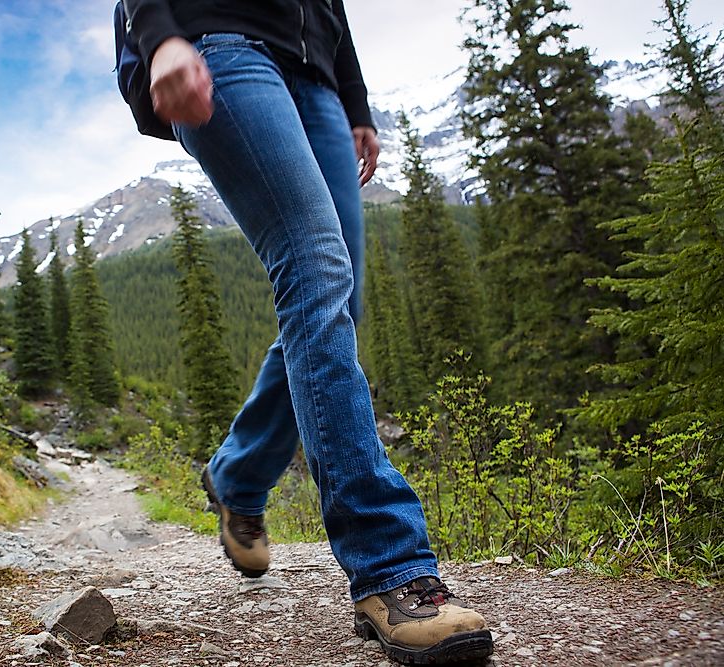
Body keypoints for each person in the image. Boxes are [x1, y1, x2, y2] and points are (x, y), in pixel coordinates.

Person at [124, 1, 494, 663]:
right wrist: (159, 38)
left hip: (317, 77)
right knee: (315, 267)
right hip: (220, 45)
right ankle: (389, 567)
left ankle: (238, 473)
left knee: (333, 298)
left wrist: (356, 105)